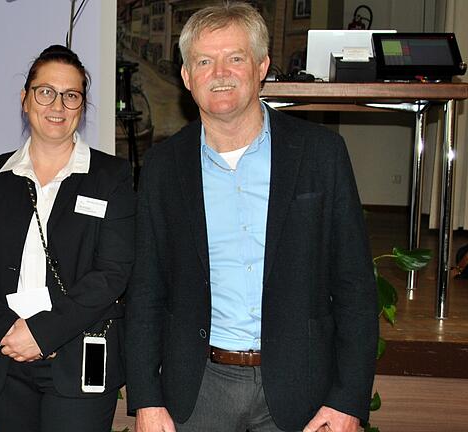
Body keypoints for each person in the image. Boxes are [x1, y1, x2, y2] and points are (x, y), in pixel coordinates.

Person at [125, 3, 378, 432]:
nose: (219, 72)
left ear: (261, 66)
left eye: (235, 57)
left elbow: (354, 286)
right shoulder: (163, 167)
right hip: (198, 389)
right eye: (204, 61)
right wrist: (147, 399)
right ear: (187, 77)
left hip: (302, 389)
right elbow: (147, 289)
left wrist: (348, 400)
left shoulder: (321, 154)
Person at [0, 45, 135, 432]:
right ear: (25, 99)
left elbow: (112, 273)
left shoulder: (110, 177)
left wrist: (42, 333)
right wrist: (8, 331)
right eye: (45, 91)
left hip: (76, 356)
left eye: (71, 95)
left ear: (82, 106)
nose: (58, 105)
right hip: (4, 355)